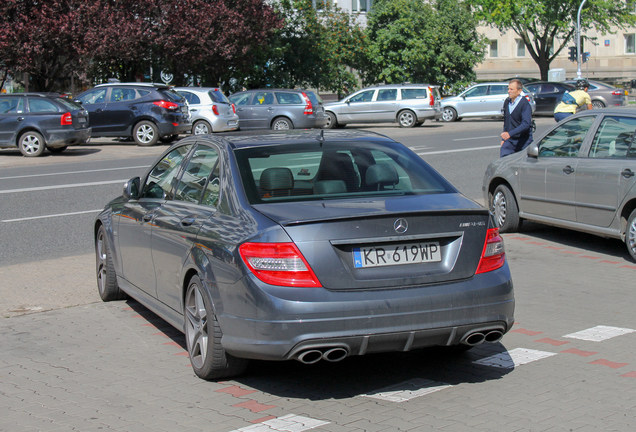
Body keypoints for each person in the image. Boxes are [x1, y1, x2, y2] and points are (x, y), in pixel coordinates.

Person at [500, 79, 534, 157]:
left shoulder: (524, 104)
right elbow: (506, 121)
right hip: (510, 141)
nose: (509, 91)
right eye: (508, 89)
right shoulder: (507, 102)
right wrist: (504, 138)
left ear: (519, 91)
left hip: (523, 141)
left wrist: (510, 134)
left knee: (522, 165)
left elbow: (526, 124)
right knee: (504, 161)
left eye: (511, 89)